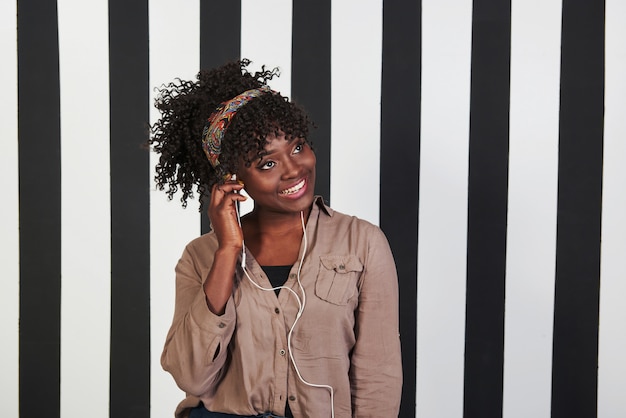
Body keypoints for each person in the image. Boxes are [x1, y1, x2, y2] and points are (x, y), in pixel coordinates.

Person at [150, 59, 402, 418]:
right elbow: (191, 377)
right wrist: (227, 251)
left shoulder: (362, 243)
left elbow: (378, 375)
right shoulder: (200, 256)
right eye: (267, 163)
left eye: (297, 147)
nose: (294, 169)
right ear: (234, 177)